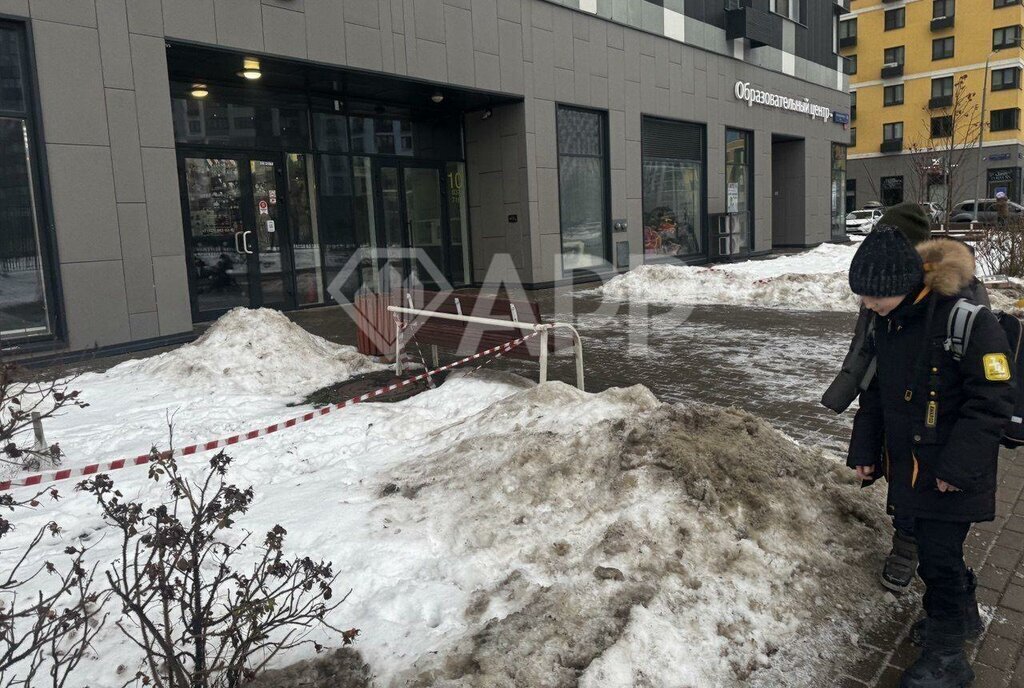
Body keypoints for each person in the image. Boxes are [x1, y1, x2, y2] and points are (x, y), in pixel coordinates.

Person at [846, 227, 1014, 688]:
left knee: (937, 558)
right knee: (934, 549)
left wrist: (957, 470)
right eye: (861, 295)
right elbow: (876, 393)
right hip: (911, 468)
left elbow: (994, 400)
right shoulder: (891, 321)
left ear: (904, 284)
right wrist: (866, 451)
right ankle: (961, 615)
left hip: (952, 471)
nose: (866, 305)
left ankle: (947, 657)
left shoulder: (967, 322)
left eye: (873, 296)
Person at [822, 203, 990, 594]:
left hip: (938, 414)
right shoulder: (883, 288)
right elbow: (868, 344)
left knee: (936, 520)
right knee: (901, 470)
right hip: (895, 396)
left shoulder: (958, 298)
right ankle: (909, 540)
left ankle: (931, 567)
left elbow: (981, 386)